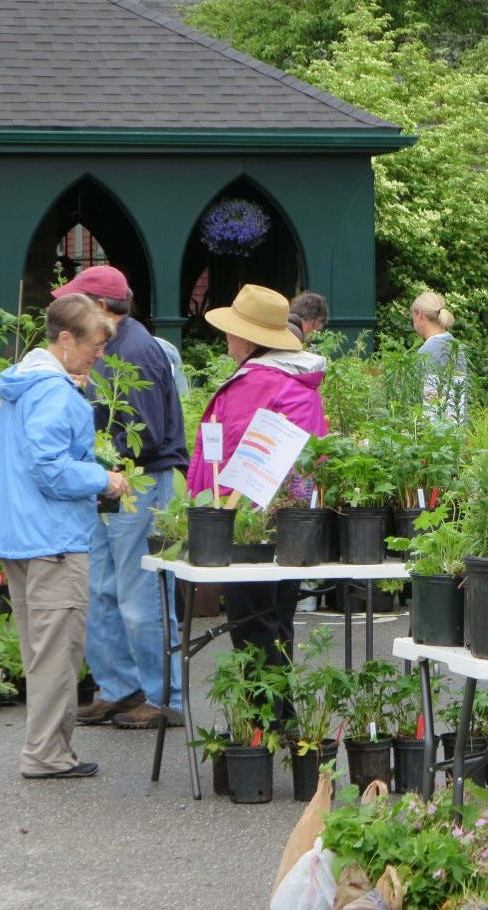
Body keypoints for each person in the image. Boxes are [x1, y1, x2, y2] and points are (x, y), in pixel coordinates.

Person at [0, 294, 129, 779]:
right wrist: (102, 479)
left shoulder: (25, 383)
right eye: (93, 344)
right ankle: (46, 755)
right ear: (65, 340)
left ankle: (47, 749)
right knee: (56, 655)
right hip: (53, 540)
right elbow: (50, 469)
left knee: (38, 652)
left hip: (20, 535)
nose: (99, 354)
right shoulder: (53, 391)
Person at [48, 267, 190, 732]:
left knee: (141, 596)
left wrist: (102, 464)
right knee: (99, 590)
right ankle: (118, 688)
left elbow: (145, 435)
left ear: (103, 306)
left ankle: (161, 696)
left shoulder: (137, 350)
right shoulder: (107, 344)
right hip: (105, 480)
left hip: (139, 481)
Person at [186, 285, 328, 715]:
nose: (227, 339)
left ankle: (269, 719)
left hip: (244, 519)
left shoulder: (254, 384)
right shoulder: (300, 382)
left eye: (232, 331)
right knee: (279, 619)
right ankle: (278, 718)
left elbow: (224, 459)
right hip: (290, 521)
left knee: (251, 624)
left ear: (250, 339)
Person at [410, 290, 467, 416]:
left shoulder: (427, 351)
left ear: (419, 314)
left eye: (412, 317)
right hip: (457, 428)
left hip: (435, 431)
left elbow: (427, 403)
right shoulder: (458, 348)